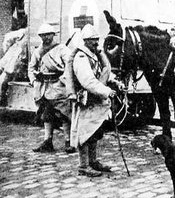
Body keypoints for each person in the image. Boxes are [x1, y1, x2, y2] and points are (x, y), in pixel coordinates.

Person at [69, 24, 122, 177]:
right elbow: (88, 81)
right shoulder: (81, 57)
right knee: (84, 133)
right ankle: (83, 166)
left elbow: (102, 72)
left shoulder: (93, 54)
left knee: (95, 131)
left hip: (95, 100)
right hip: (86, 100)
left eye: (97, 40)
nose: (96, 43)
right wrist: (107, 91)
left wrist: (115, 82)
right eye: (93, 40)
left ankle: (93, 161)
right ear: (85, 40)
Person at [28, 23, 75, 154]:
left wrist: (64, 80)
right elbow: (31, 68)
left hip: (58, 86)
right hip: (44, 87)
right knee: (46, 115)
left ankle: (68, 142)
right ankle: (47, 141)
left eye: (48, 35)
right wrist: (33, 80)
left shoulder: (62, 49)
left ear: (53, 35)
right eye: (42, 35)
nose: (45, 38)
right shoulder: (38, 51)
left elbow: (69, 65)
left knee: (64, 114)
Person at [0, 16, 28, 106]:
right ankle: (1, 97)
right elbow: (7, 38)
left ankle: (3, 97)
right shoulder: (23, 32)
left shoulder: (24, 32)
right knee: (5, 76)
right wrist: (7, 51)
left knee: (8, 77)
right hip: (14, 57)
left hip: (18, 58)